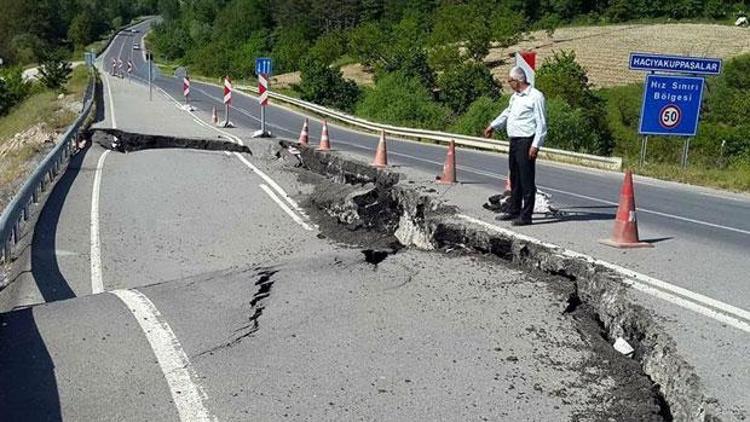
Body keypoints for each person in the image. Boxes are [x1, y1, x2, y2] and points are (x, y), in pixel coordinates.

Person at [483, 66, 547, 226]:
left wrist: (535, 145)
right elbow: (507, 113)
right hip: (514, 140)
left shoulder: (535, 97)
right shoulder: (515, 97)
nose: (509, 84)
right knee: (515, 177)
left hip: (527, 140)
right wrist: (493, 125)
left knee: (526, 179)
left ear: (518, 80)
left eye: (510, 81)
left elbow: (541, 123)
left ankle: (526, 215)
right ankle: (514, 209)